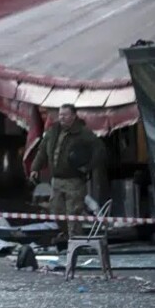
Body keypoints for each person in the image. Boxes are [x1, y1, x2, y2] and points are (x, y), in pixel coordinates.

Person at [29, 103, 107, 243]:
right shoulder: (53, 131)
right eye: (60, 115)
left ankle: (76, 241)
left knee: (74, 212)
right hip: (57, 180)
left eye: (65, 115)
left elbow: (99, 150)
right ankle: (66, 235)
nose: (62, 118)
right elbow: (42, 151)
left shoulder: (83, 133)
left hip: (74, 180)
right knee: (56, 211)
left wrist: (88, 167)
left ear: (73, 116)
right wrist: (35, 168)